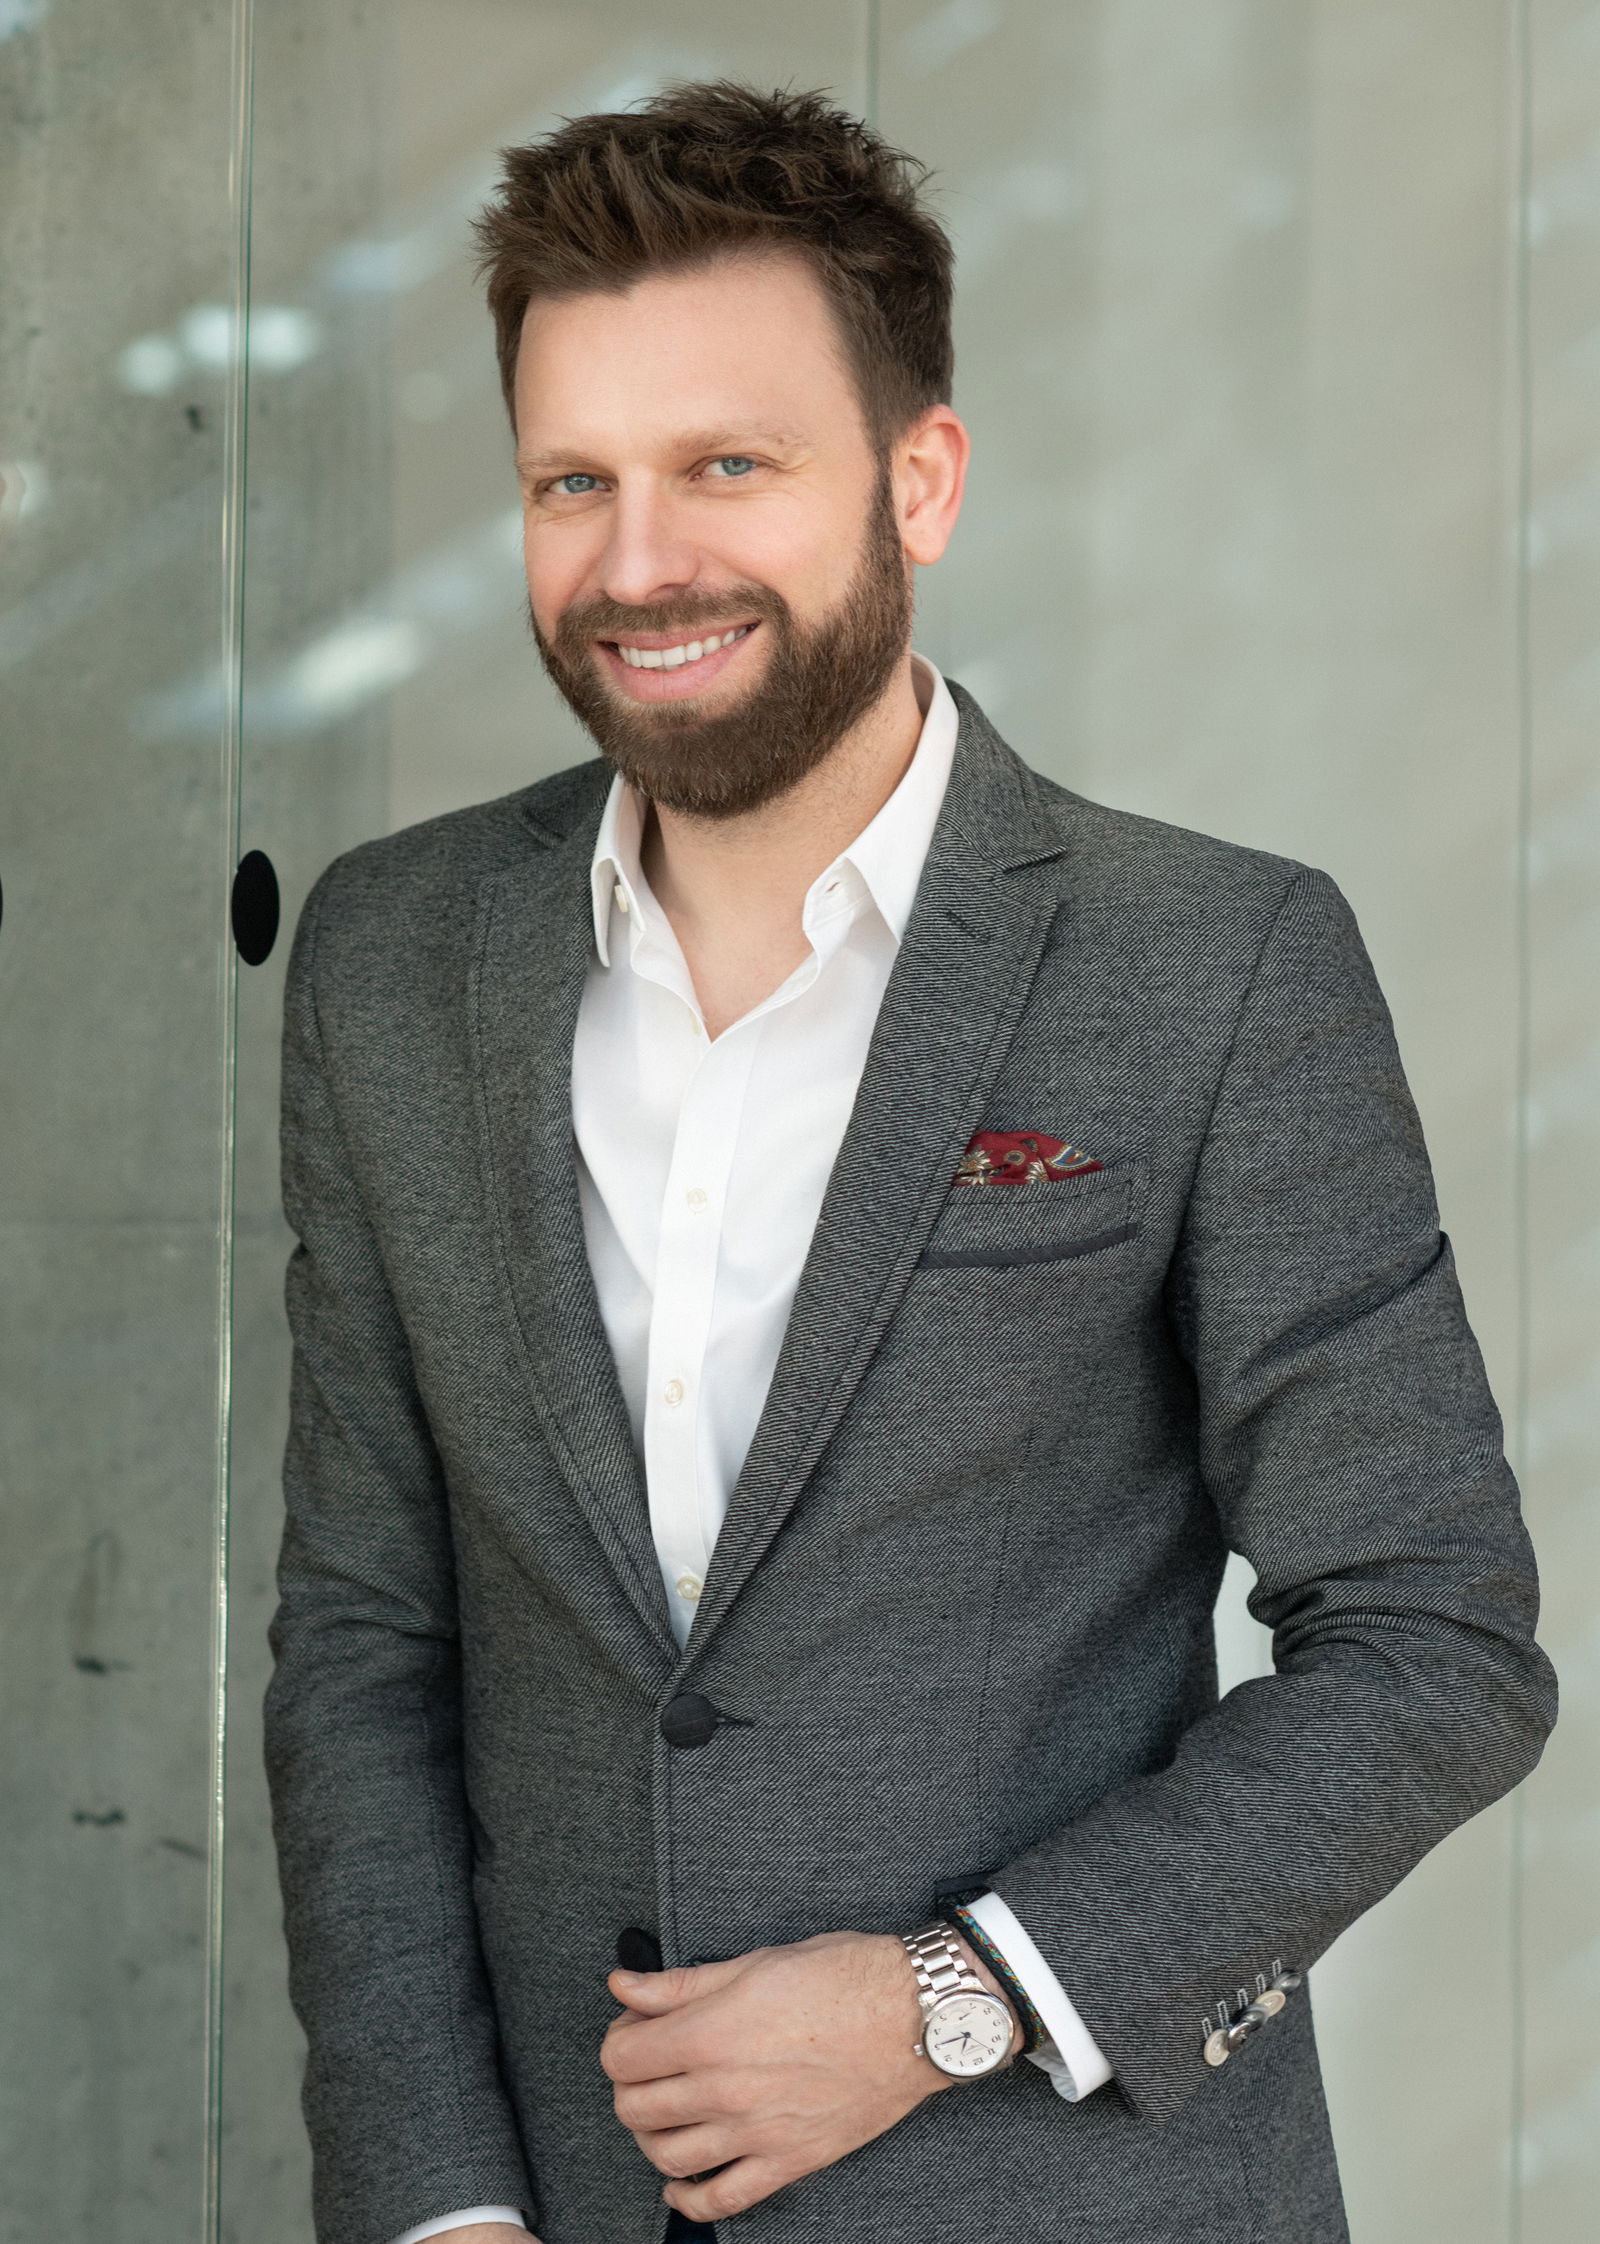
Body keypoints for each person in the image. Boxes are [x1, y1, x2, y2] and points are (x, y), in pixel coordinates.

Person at [263, 79, 1557, 2244]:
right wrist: (435, 2205)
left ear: (920, 479)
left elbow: (1434, 1642)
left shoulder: (1214, 963)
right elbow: (365, 1641)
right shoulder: (392, 959)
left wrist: (950, 1998)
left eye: (727, 466)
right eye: (572, 481)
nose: (637, 563)